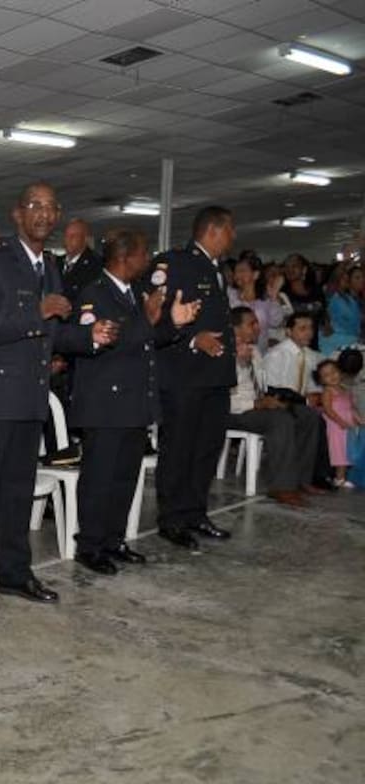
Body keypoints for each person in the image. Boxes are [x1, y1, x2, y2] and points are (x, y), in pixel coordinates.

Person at [0, 182, 115, 626]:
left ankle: (13, 573)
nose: (42, 213)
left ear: (57, 215)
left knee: (17, 493)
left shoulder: (50, 266)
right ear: (18, 214)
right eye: (33, 206)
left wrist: (88, 338)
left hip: (28, 397)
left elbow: (53, 333)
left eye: (49, 207)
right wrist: (35, 313)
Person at [63, 228, 198, 574]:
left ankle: (113, 539)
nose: (148, 259)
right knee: (99, 478)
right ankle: (90, 545)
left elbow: (147, 339)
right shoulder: (95, 293)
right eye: (143, 253)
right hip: (105, 406)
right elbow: (106, 338)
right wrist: (149, 319)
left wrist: (174, 324)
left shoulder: (136, 292)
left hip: (134, 403)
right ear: (125, 257)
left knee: (125, 477)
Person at [142, 206, 238, 551]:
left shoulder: (217, 270)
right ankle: (172, 519)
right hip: (183, 374)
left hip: (213, 375)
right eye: (230, 230)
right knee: (179, 448)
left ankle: (195, 511)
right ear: (213, 230)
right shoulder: (174, 263)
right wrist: (194, 337)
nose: (233, 237)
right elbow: (156, 315)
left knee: (207, 448)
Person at [226, 307, 324, 507]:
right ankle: (282, 487)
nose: (257, 327)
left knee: (307, 415)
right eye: (251, 324)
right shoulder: (223, 352)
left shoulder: (254, 351)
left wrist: (270, 400)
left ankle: (301, 480)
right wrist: (256, 403)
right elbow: (220, 396)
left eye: (256, 323)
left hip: (258, 406)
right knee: (280, 420)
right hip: (235, 411)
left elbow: (261, 386)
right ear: (235, 328)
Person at [227, 253, 291, 351]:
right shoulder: (230, 295)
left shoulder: (265, 300)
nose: (237, 275)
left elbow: (276, 322)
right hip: (235, 349)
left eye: (242, 271)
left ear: (255, 274)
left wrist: (274, 294)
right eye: (235, 271)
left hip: (259, 352)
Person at [316, 358, 361, 488]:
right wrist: (340, 421)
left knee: (349, 450)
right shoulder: (328, 392)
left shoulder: (345, 389)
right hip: (336, 426)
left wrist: (358, 419)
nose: (332, 377)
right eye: (326, 375)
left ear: (340, 372)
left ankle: (344, 476)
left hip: (347, 425)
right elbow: (328, 410)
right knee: (339, 451)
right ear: (321, 380)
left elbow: (351, 408)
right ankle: (339, 478)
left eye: (334, 372)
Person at [60, 218, 102, 301]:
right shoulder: (55, 263)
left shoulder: (96, 265)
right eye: (66, 236)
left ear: (85, 239)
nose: (68, 240)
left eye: (73, 236)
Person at [322, 266, 362, 354]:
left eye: (346, 277)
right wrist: (344, 264)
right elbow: (333, 279)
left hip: (352, 341)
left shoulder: (351, 300)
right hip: (335, 342)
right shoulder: (332, 296)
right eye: (342, 277)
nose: (345, 279)